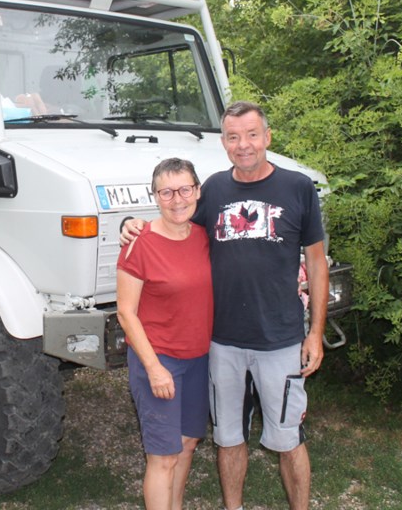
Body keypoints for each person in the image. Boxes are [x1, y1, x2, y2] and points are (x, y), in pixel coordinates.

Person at [121, 101, 329, 510]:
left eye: (252, 134)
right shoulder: (213, 189)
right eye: (234, 137)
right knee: (228, 438)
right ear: (224, 143)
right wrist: (134, 223)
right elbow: (173, 221)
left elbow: (317, 263)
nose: (244, 145)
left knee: (288, 440)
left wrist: (316, 332)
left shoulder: (299, 188)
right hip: (221, 343)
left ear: (267, 137)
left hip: (281, 338)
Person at [116, 158, 214, 510]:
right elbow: (126, 313)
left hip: (199, 359)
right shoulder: (139, 243)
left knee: (187, 444)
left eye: (185, 189)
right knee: (163, 456)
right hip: (158, 361)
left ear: (197, 191)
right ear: (154, 196)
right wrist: (155, 368)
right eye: (167, 192)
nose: (177, 199)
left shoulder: (204, 237)